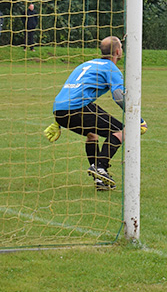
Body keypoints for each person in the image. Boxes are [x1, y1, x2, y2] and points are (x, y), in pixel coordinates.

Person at [47, 36, 128, 190]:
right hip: (77, 108)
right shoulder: (111, 68)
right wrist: (136, 117)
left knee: (92, 134)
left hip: (59, 110)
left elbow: (70, 90)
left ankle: (100, 180)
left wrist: (58, 121)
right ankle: (100, 167)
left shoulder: (87, 64)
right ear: (118, 51)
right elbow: (118, 96)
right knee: (122, 131)